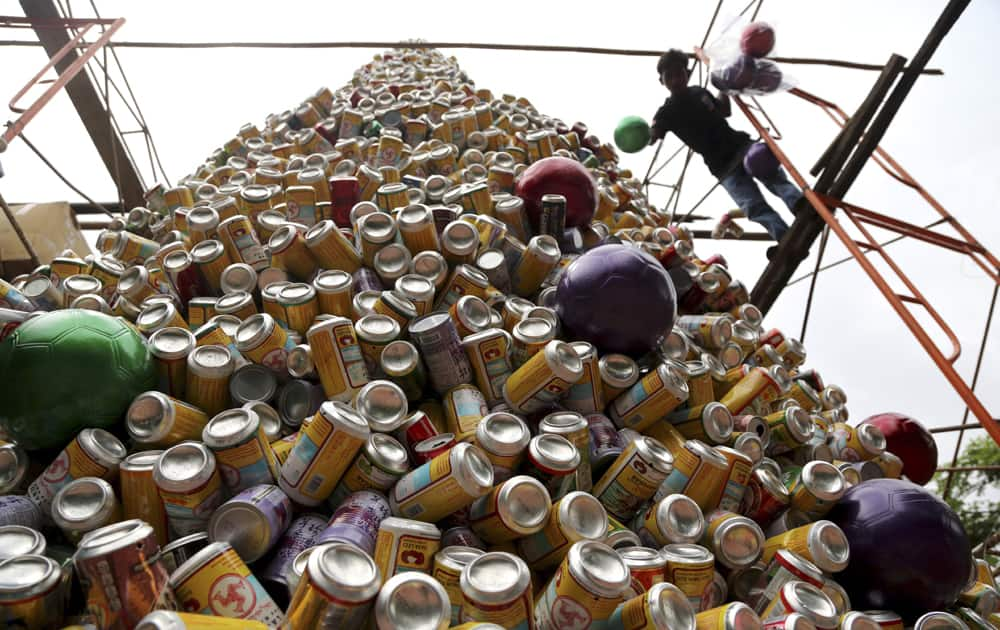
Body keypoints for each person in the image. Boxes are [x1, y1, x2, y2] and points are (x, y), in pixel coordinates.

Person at [649, 48, 803, 259]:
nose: (676, 79)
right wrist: (645, 134)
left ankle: (798, 203)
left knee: (771, 175)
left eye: (679, 73)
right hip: (722, 167)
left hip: (740, 146)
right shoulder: (665, 112)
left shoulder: (699, 93)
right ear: (662, 81)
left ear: (687, 73)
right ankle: (784, 239)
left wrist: (724, 88)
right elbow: (653, 134)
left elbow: (723, 111)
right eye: (669, 76)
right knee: (753, 206)